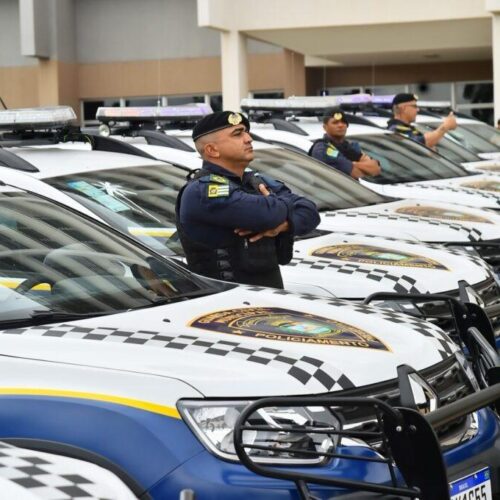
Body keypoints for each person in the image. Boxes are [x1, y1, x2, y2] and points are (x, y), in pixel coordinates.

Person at [175, 110, 320, 289]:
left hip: (270, 296)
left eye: (246, 132)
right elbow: (268, 215)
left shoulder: (254, 181)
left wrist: (283, 225)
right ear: (212, 150)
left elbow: (310, 211)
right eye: (238, 134)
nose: (248, 138)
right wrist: (278, 209)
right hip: (227, 305)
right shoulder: (203, 191)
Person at [308, 108, 381, 179]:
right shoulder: (322, 149)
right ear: (325, 127)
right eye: (335, 122)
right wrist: (357, 166)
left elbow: (375, 169)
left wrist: (353, 164)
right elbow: (355, 173)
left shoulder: (347, 146)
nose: (340, 125)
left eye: (343, 122)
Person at [387, 93, 457, 148]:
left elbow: (429, 147)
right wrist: (445, 126)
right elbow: (419, 144)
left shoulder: (409, 128)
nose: (418, 110)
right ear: (403, 108)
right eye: (414, 106)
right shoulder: (395, 129)